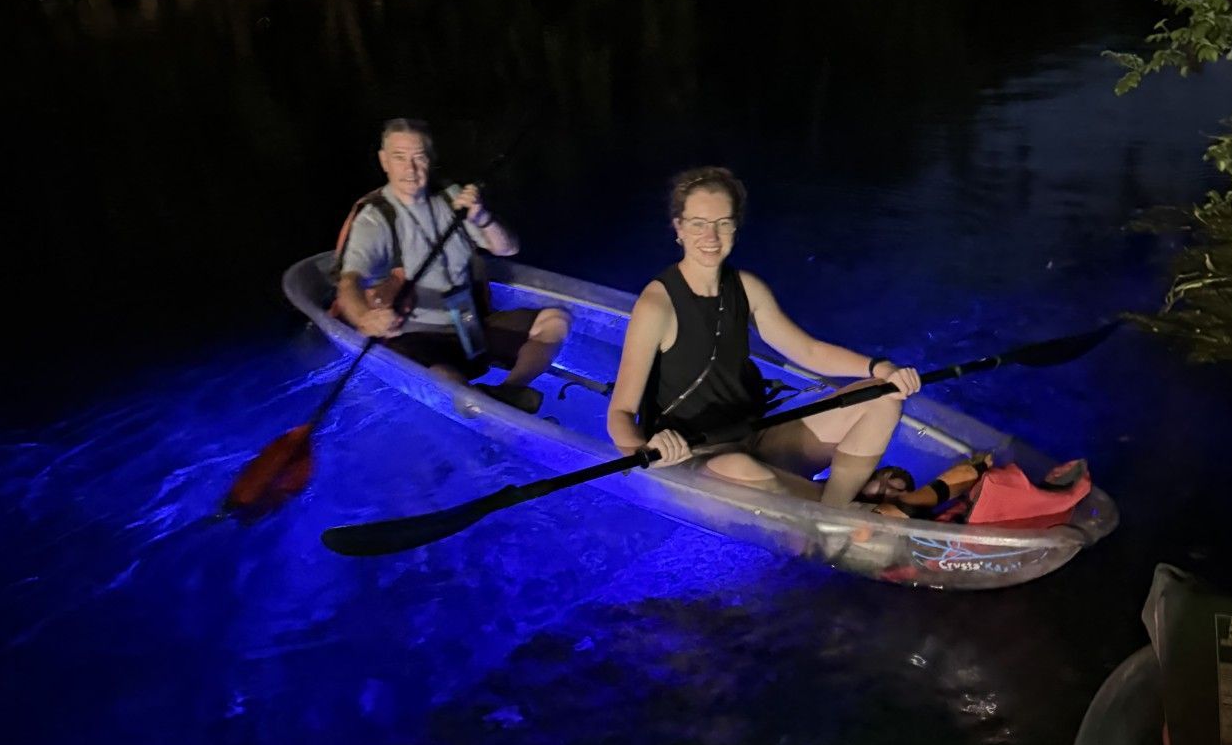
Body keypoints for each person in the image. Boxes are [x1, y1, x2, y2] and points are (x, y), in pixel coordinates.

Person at [607, 166, 921, 505]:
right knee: (742, 468)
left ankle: (835, 507)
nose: (711, 236)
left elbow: (809, 351)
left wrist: (881, 368)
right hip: (695, 461)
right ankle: (845, 509)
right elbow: (619, 413)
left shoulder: (748, 288)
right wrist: (644, 452)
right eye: (698, 224)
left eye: (722, 223)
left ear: (735, 227)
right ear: (679, 227)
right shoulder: (657, 305)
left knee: (883, 397)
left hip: (754, 440)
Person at [335, 117, 569, 413]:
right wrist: (364, 318)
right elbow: (349, 282)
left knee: (556, 320)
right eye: (399, 157)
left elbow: (508, 249)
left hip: (469, 324)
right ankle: (476, 407)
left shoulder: (451, 196)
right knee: (443, 376)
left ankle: (509, 391)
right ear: (384, 161)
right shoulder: (375, 217)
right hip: (417, 335)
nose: (410, 169)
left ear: (431, 160)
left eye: (419, 157)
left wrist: (482, 217)